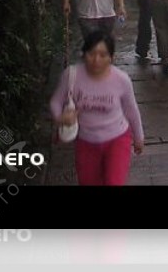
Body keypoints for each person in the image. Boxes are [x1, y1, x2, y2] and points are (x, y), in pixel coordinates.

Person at [50, 30, 145, 186]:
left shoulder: (121, 80)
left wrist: (139, 137)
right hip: (85, 141)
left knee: (114, 182)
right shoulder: (72, 75)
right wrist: (61, 118)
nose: (96, 60)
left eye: (103, 55)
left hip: (117, 138)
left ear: (111, 57)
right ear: (84, 54)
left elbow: (131, 109)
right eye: (91, 54)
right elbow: (55, 102)